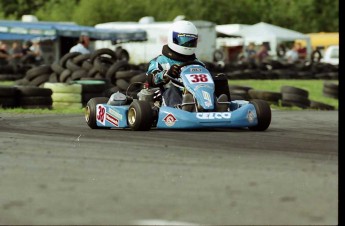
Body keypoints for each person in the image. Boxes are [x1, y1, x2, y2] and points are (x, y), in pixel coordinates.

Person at [146, 20, 227, 109]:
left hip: (195, 93)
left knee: (216, 83)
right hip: (167, 96)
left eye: (191, 41)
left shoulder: (199, 64)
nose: (187, 44)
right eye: (184, 40)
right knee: (173, 89)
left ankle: (219, 107)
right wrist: (166, 75)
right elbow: (151, 79)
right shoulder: (160, 61)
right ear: (173, 38)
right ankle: (180, 108)